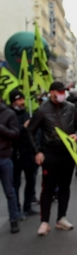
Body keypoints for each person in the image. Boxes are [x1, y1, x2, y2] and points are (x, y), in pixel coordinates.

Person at [27, 81, 77, 236]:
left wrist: (76, 134)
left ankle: (61, 218)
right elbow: (30, 131)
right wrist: (37, 152)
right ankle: (44, 222)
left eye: (63, 92)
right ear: (51, 92)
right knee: (48, 189)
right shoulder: (42, 111)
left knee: (65, 187)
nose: (61, 94)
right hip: (50, 154)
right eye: (58, 92)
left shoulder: (71, 108)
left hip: (67, 154)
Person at [9, 89, 38, 218]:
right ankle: (16, 209)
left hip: (28, 154)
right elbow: (11, 134)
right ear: (13, 102)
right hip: (14, 155)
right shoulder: (8, 115)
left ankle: (27, 207)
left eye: (22, 99)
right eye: (18, 100)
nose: (21, 102)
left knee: (31, 182)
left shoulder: (27, 114)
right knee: (15, 184)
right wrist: (23, 127)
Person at [0, 96, 20, 233]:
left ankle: (14, 220)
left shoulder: (9, 113)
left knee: (9, 191)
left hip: (4, 157)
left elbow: (15, 134)